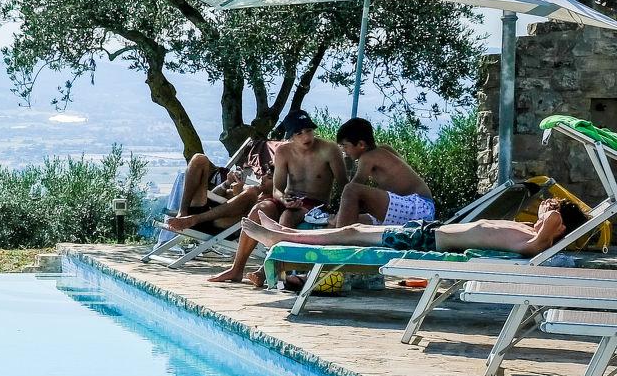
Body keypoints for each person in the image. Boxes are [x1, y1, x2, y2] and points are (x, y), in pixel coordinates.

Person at [207, 111, 346, 284]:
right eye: (299, 133)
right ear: (290, 137)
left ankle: (265, 270)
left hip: (315, 204)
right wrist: (283, 199)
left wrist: (338, 212)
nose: (306, 136)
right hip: (288, 199)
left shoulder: (329, 150)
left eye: (309, 130)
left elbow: (344, 185)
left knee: (287, 216)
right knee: (258, 211)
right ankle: (237, 269)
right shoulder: (283, 151)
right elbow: (277, 189)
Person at [241, 196, 588, 258]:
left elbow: (553, 226)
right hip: (429, 231)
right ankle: (283, 233)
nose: (544, 209)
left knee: (352, 233)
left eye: (550, 210)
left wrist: (555, 214)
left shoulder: (536, 243)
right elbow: (550, 224)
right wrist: (549, 216)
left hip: (427, 240)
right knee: (354, 232)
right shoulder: (530, 233)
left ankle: (281, 236)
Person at [331, 117, 434, 228]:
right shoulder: (384, 150)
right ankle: (337, 232)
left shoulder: (368, 157)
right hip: (417, 209)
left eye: (345, 146)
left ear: (361, 144)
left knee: (350, 190)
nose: (343, 151)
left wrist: (336, 219)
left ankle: (338, 237)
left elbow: (354, 187)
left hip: (418, 207)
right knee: (352, 219)